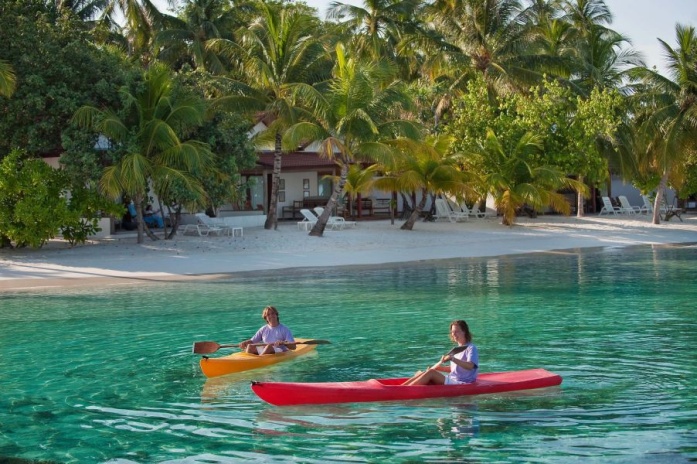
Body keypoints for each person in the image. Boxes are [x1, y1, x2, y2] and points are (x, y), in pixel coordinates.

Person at [402, 320, 478, 386]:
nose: (453, 334)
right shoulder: (456, 349)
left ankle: (405, 390)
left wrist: (453, 359)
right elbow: (456, 369)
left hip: (463, 382)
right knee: (421, 373)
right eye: (452, 332)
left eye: (456, 331)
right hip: (452, 379)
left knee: (431, 373)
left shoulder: (471, 348)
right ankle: (401, 387)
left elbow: (470, 366)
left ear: (464, 332)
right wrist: (438, 368)